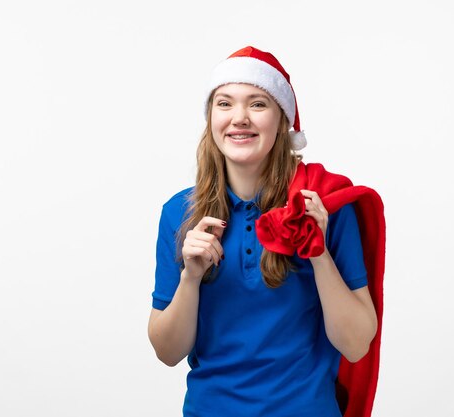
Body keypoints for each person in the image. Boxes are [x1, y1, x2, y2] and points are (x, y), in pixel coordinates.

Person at [148, 46, 384, 417]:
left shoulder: (322, 207)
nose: (239, 118)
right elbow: (168, 352)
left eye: (257, 104)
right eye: (224, 104)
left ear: (282, 120)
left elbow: (356, 345)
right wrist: (190, 278)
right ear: (211, 118)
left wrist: (318, 253)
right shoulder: (179, 213)